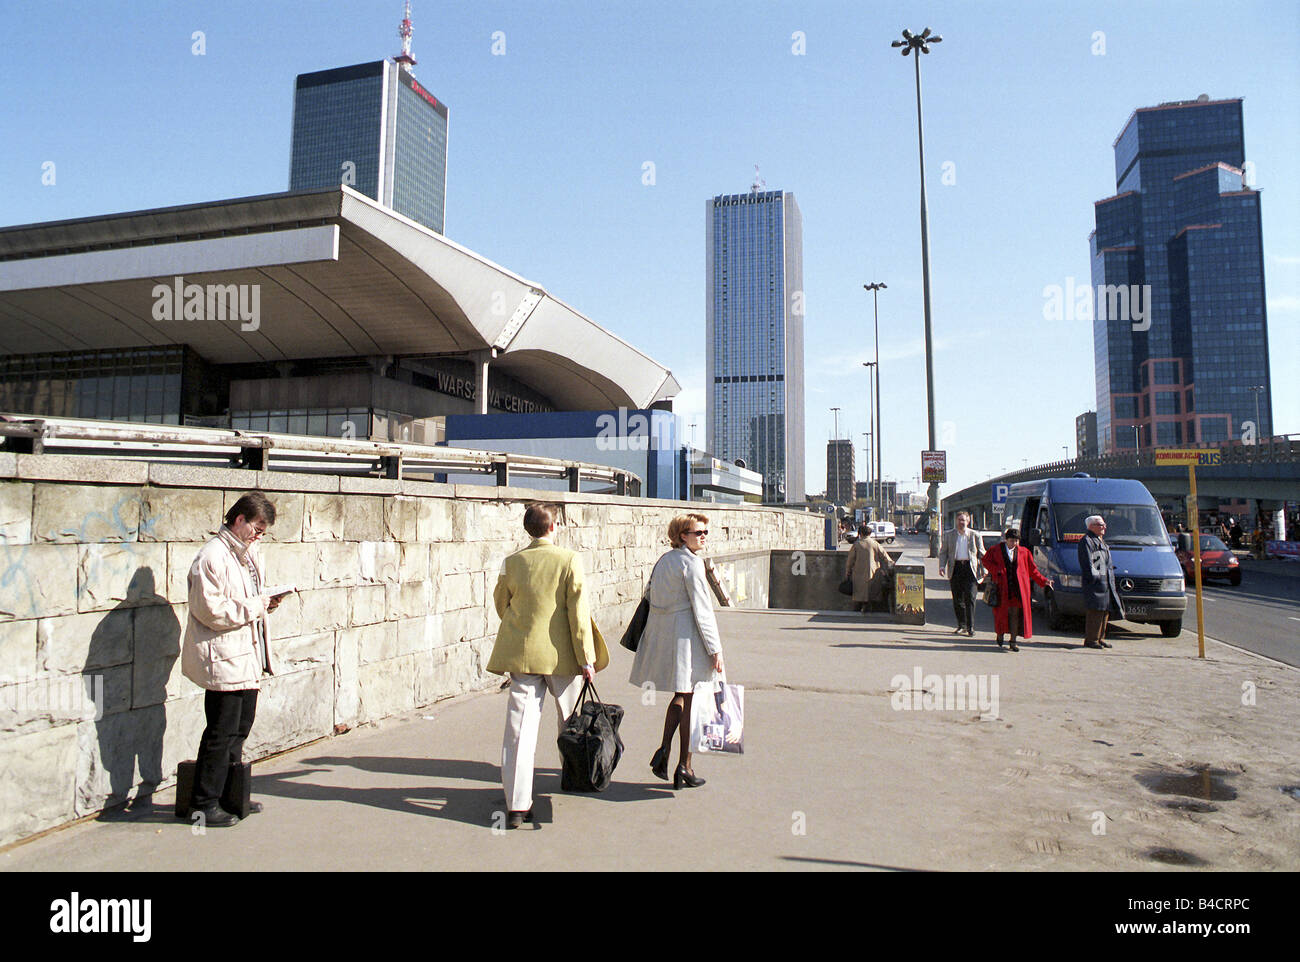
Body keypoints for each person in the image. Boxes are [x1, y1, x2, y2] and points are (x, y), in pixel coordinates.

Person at [488, 503, 605, 829]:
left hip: (524, 654)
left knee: (520, 729)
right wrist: (587, 658)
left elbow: (501, 603)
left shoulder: (511, 562)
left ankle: (516, 804)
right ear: (554, 526)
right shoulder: (569, 560)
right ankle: (575, 777)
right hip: (563, 657)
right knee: (571, 723)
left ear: (529, 529)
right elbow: (577, 612)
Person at [180, 491, 285, 827]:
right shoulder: (212, 557)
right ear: (238, 519)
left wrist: (266, 602)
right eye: (256, 527)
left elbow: (247, 599)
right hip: (223, 656)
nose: (258, 535)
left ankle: (230, 794)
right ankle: (203, 804)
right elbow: (210, 611)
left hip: (245, 654)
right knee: (220, 731)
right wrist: (258, 605)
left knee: (240, 728)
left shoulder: (247, 554)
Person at [629, 513, 723, 790]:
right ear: (683, 535)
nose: (704, 536)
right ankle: (684, 765)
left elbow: (650, 597)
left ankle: (665, 751)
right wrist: (716, 649)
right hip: (689, 638)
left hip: (665, 636)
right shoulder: (692, 565)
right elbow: (703, 611)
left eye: (706, 532)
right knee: (692, 699)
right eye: (698, 532)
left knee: (681, 694)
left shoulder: (664, 561)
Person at [981, 527, 1053, 651]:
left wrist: (1044, 580)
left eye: (1016, 541)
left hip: (1018, 589)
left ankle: (1013, 641)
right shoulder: (996, 549)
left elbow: (1033, 570)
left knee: (1015, 614)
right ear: (1006, 539)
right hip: (1001, 588)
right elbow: (985, 561)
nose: (1014, 543)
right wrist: (996, 570)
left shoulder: (1024, 552)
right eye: (1011, 540)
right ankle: (1000, 634)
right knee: (1001, 614)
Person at [1078, 514, 1124, 650]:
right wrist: (1097, 579)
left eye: (1104, 524)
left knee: (1104, 611)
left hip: (1105, 581)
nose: (1104, 527)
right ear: (1091, 526)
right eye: (1100, 524)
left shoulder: (1099, 540)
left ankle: (1100, 638)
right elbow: (1090, 563)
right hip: (1097, 583)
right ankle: (1092, 639)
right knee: (1096, 611)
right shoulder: (1088, 541)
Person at [939, 511, 985, 636]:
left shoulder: (975, 535)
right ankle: (961, 625)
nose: (961, 522)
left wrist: (985, 569)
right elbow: (943, 552)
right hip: (956, 568)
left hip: (970, 569)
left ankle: (970, 627)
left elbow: (982, 553)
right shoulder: (949, 535)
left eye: (963, 520)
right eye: (959, 520)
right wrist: (942, 566)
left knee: (970, 597)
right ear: (956, 521)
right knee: (957, 599)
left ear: (968, 521)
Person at [845, 523, 894, 614]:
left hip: (858, 574)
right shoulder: (875, 544)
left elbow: (850, 561)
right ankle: (869, 609)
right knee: (872, 594)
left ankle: (858, 611)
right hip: (873, 574)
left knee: (859, 595)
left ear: (860, 533)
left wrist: (847, 573)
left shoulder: (857, 544)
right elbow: (886, 557)